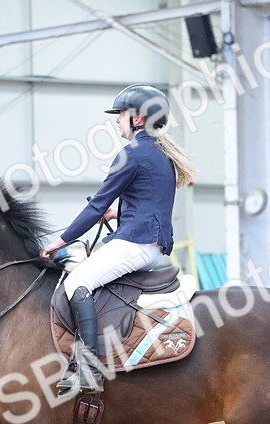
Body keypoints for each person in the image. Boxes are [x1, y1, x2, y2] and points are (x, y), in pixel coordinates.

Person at [39, 84, 195, 396]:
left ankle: (88, 368)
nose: (116, 120)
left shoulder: (131, 154)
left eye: (121, 115)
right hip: (151, 244)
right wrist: (118, 214)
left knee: (77, 283)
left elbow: (96, 205)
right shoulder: (161, 153)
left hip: (137, 244)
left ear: (138, 119)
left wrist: (61, 241)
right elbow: (149, 201)